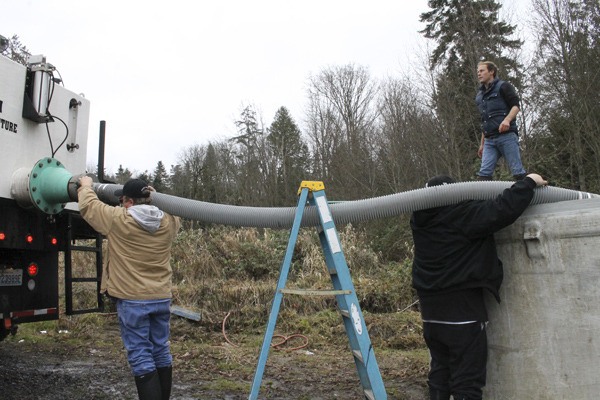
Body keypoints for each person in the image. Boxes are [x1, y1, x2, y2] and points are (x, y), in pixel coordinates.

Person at [411, 173, 547, 400]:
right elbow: (502, 209)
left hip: (431, 313)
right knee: (467, 382)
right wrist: (529, 182)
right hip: (462, 311)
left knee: (440, 373)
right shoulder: (462, 216)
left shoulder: (419, 219)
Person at [77, 176, 181, 400]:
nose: (121, 205)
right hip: (161, 296)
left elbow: (89, 206)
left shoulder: (119, 220)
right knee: (161, 350)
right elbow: (175, 213)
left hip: (133, 300)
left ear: (129, 202)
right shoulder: (168, 222)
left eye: (123, 200)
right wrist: (154, 195)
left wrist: (86, 186)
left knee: (141, 355)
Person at [475, 61, 526, 181]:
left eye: (482, 71)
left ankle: (529, 196)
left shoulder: (504, 86)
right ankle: (484, 199)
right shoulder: (479, 96)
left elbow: (516, 106)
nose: (479, 74)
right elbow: (485, 121)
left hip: (506, 136)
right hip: (489, 141)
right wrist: (482, 144)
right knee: (483, 176)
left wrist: (507, 120)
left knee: (518, 172)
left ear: (491, 71)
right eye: (478, 72)